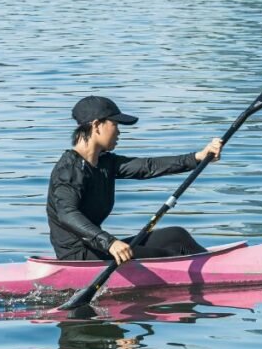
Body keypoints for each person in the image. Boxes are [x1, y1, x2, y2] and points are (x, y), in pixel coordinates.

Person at [47, 95, 223, 263]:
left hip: (97, 246)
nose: (119, 131)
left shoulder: (105, 163)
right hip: (79, 255)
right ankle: (212, 272)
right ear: (96, 125)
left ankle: (216, 265)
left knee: (177, 236)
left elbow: (149, 166)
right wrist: (109, 242)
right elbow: (67, 214)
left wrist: (198, 157)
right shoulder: (68, 170)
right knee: (169, 254)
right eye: (115, 124)